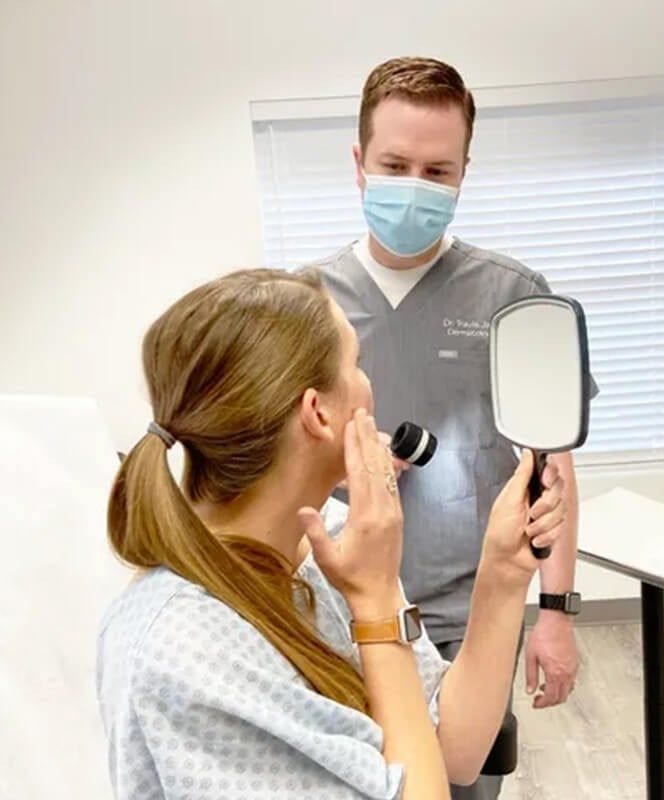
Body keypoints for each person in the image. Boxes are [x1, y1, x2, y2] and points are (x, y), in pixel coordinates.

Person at [96, 268, 567, 799]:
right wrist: (377, 601)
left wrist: (502, 573)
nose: (369, 386)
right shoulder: (187, 651)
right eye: (357, 364)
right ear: (317, 412)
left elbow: (451, 748)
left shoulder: (330, 542)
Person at [315, 57, 598, 800]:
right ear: (358, 163)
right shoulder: (304, 305)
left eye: (437, 172)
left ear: (466, 170)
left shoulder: (513, 298)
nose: (415, 186)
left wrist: (555, 614)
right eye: (395, 164)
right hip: (332, 614)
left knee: (460, 785)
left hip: (470, 617)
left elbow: (551, 471)